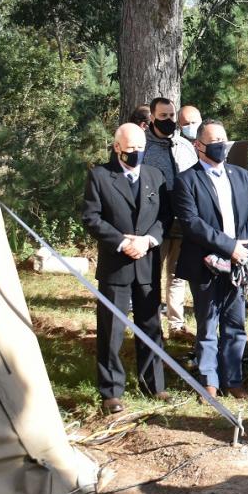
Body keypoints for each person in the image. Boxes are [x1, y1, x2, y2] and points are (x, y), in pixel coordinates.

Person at [81, 123, 169, 413]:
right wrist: (121, 242)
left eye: (141, 148)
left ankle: (153, 385)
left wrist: (147, 241)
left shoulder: (155, 176)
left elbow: (165, 218)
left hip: (146, 262)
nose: (136, 153)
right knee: (112, 330)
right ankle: (111, 392)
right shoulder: (100, 177)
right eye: (131, 148)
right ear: (117, 147)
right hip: (116, 265)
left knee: (151, 325)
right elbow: (92, 218)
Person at [173, 120, 248, 400]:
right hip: (205, 264)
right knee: (208, 324)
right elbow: (192, 223)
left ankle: (233, 380)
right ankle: (209, 382)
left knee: (235, 324)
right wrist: (228, 246)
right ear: (199, 146)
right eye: (213, 141)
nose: (220, 145)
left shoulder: (241, 175)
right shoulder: (186, 180)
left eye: (223, 139)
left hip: (237, 263)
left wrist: (242, 247)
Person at [144, 97, 198, 339]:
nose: (168, 120)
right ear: (153, 117)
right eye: (163, 116)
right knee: (151, 275)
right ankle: (150, 323)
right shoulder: (143, 147)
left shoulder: (185, 146)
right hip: (155, 222)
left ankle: (176, 325)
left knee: (177, 276)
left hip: (183, 221)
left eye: (171, 116)